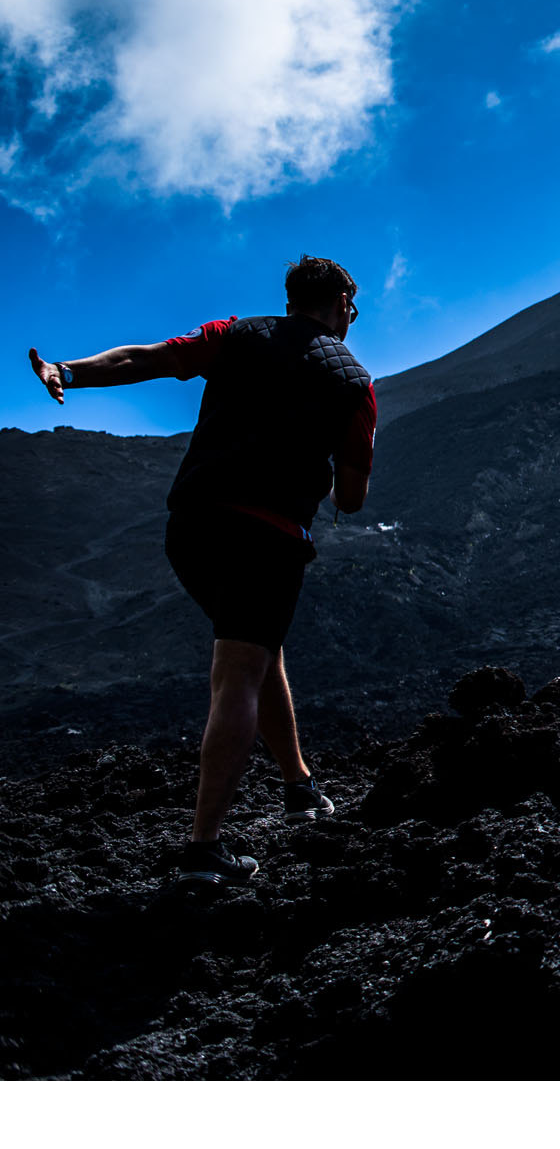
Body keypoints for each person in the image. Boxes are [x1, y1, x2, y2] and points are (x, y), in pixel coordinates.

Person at [26, 256, 374, 886]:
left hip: (192, 526)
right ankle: (204, 850)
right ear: (343, 304)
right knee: (240, 669)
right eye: (353, 307)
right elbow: (351, 497)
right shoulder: (354, 382)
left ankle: (298, 786)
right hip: (266, 536)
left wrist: (67, 373)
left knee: (260, 649)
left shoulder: (236, 333)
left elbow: (147, 359)